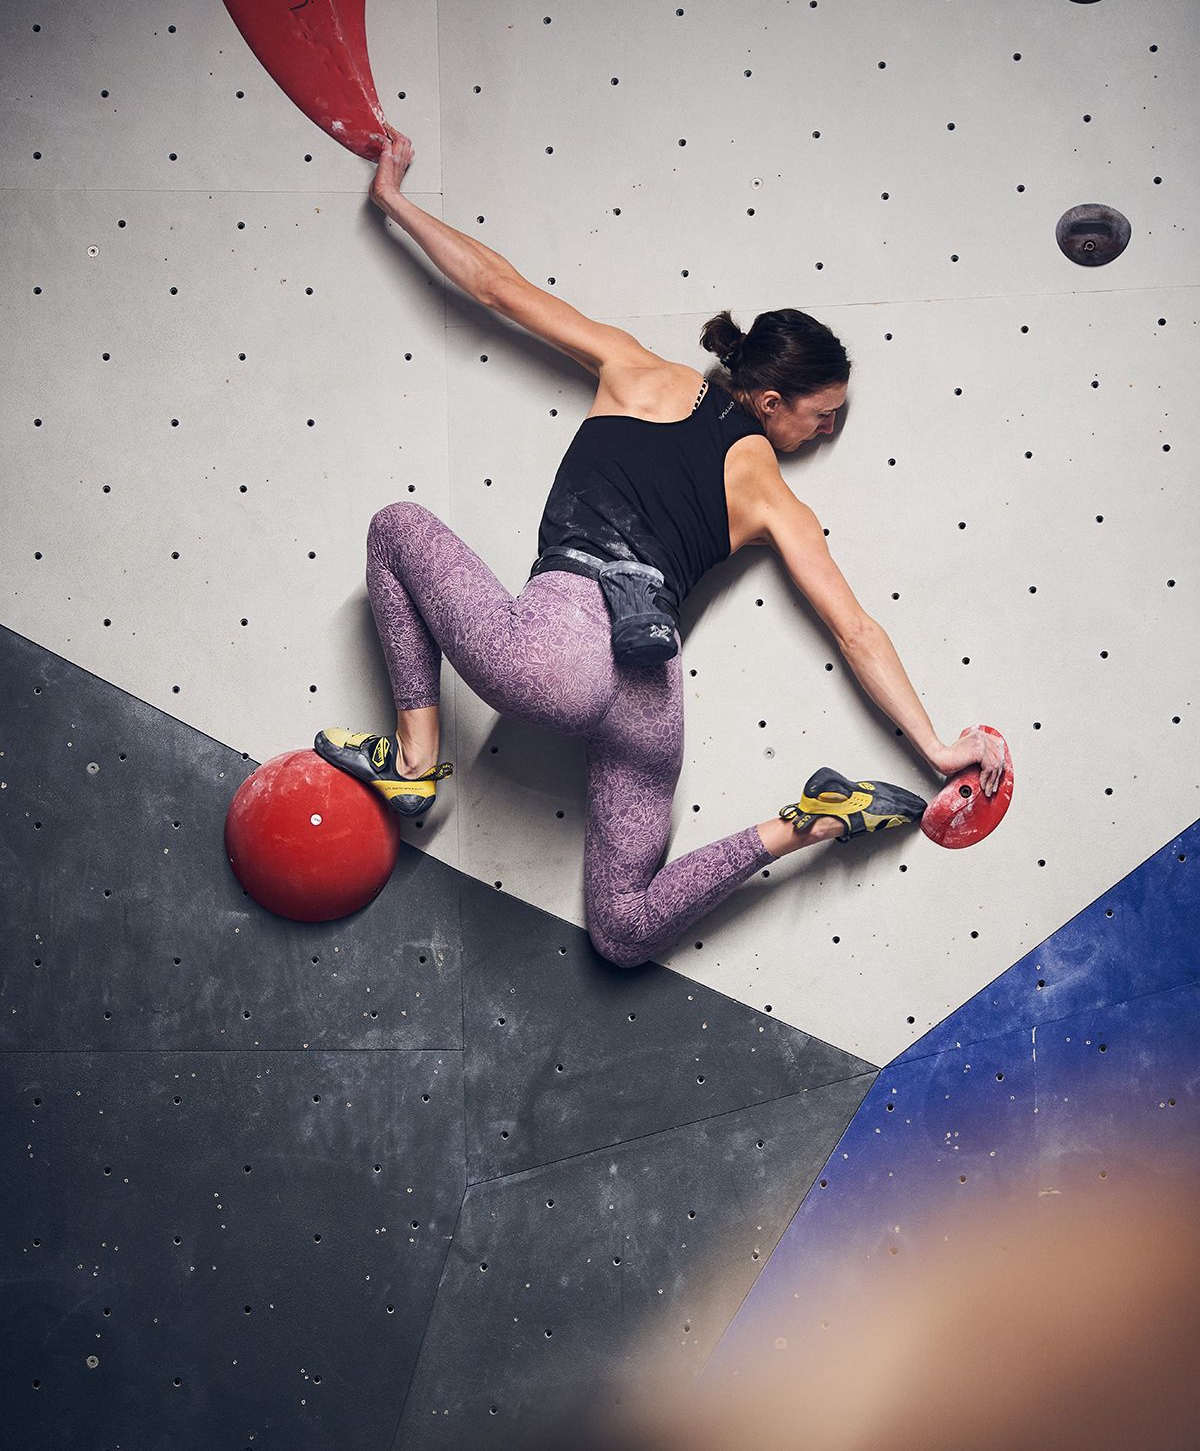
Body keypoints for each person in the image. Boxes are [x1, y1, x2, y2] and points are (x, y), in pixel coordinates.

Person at [315, 128, 1005, 968]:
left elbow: (496, 287)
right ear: (773, 398)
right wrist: (935, 746)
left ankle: (418, 759)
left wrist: (394, 202)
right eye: (823, 415)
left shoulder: (636, 370)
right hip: (648, 693)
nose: (828, 432)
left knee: (394, 525)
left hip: (558, 648)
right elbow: (854, 627)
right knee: (623, 932)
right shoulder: (777, 499)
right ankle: (799, 825)